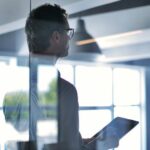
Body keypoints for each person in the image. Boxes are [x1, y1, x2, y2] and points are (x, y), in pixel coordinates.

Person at [24, 3, 119, 150]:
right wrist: (102, 144)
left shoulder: (15, 83)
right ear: (56, 36)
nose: (69, 39)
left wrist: (85, 142)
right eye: (67, 32)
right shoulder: (64, 91)